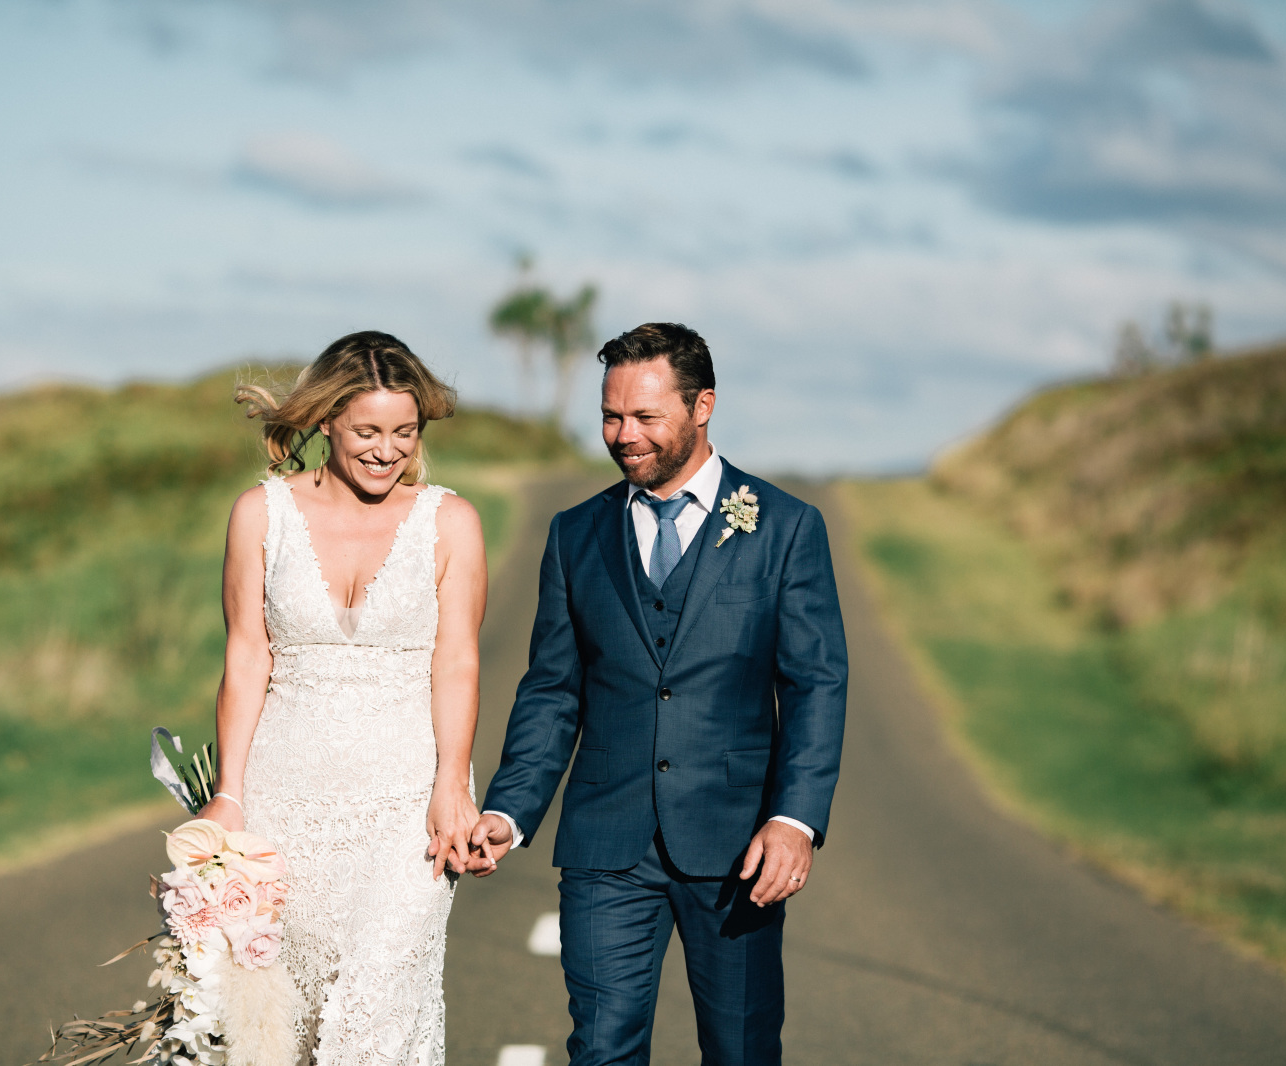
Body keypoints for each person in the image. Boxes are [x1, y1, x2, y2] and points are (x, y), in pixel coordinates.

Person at [468, 323, 848, 1066]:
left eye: (645, 416)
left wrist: (794, 821)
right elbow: (552, 691)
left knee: (741, 1051)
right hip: (604, 845)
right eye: (611, 416)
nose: (624, 435)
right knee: (601, 1050)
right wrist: (509, 811)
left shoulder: (786, 528)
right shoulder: (575, 533)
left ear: (703, 406)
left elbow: (815, 687)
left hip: (738, 848)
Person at [196, 331, 487, 1065]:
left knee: (374, 1012)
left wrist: (452, 784)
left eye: (404, 432)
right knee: (286, 1023)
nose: (388, 451)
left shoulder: (450, 522)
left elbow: (457, 660)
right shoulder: (259, 514)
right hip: (284, 801)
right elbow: (246, 655)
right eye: (368, 432)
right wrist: (229, 794)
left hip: (405, 810)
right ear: (326, 421)